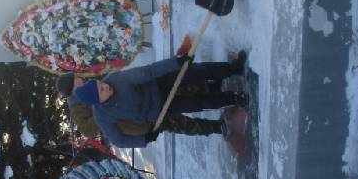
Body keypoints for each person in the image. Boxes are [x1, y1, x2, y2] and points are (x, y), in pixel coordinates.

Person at [56, 51, 248, 148]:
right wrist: (143, 139)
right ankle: (232, 100)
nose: (105, 86)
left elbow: (146, 72)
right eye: (101, 90)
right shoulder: (98, 115)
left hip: (156, 86)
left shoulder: (114, 80)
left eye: (101, 84)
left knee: (194, 73)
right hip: (155, 114)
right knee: (196, 105)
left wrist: (176, 62)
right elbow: (115, 138)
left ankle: (232, 68)